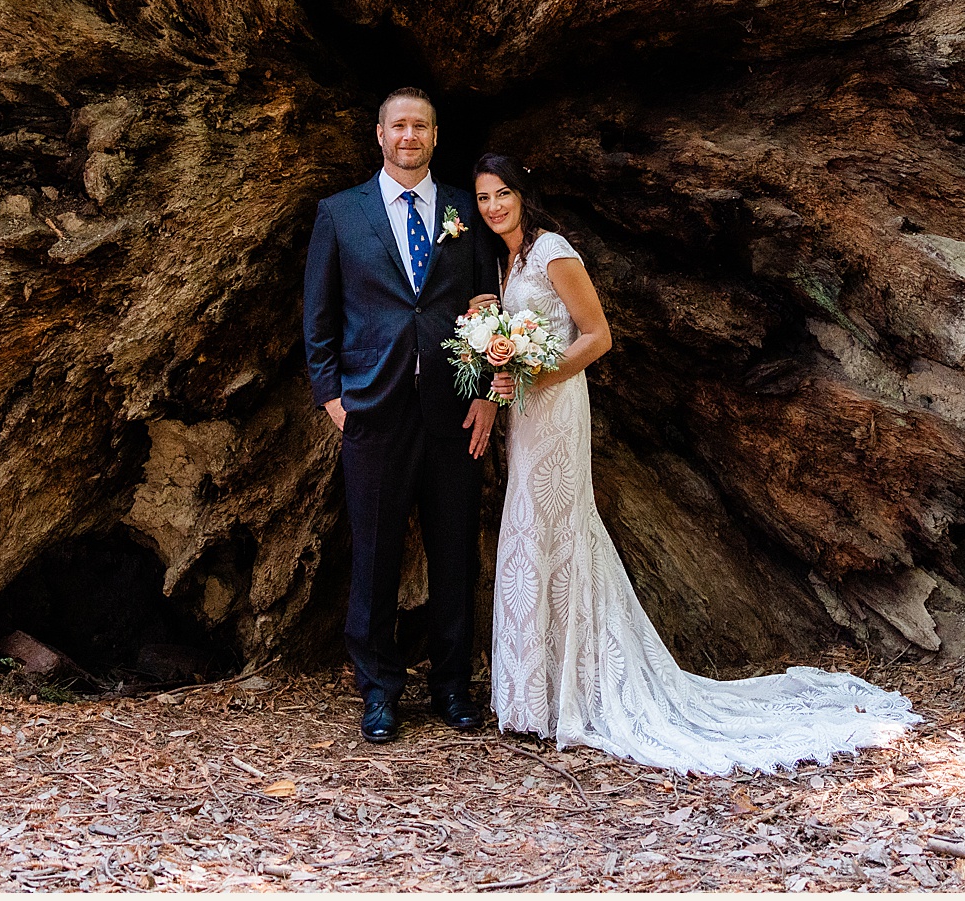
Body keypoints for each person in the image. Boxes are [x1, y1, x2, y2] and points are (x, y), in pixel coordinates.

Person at [474, 152, 919, 773]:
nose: (493, 206)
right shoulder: (509, 259)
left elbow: (597, 335)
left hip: (557, 406)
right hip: (526, 411)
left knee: (559, 530)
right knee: (528, 532)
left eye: (502, 194)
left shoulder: (552, 250)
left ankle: (574, 693)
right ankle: (537, 695)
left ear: (523, 193)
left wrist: (540, 370)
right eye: (484, 198)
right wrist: (501, 364)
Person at [301, 88, 499, 743]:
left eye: (420, 125)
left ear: (436, 137)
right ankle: (379, 690)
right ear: (379, 134)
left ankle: (451, 686)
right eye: (398, 125)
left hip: (453, 409)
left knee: (453, 555)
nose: (409, 135)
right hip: (374, 411)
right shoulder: (338, 213)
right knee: (376, 556)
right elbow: (320, 314)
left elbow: (486, 307)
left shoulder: (467, 212)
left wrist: (483, 395)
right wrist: (333, 396)